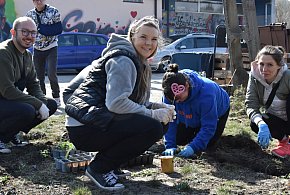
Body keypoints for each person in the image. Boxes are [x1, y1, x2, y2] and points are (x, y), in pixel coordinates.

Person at [64, 16, 175, 191]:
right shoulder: (124, 60)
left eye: (154, 39)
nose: (149, 43)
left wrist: (156, 107)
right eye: (143, 37)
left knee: (161, 123)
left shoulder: (139, 61)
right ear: (132, 36)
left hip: (96, 120)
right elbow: (116, 103)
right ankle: (99, 168)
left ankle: (110, 162)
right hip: (84, 127)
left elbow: (134, 104)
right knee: (153, 127)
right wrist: (153, 114)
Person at [0, 16, 57, 154]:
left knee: (51, 104)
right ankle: (1, 137)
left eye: (33, 33)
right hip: (4, 97)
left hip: (8, 100)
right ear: (13, 32)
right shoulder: (3, 53)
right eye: (24, 32)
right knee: (28, 110)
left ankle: (11, 134)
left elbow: (33, 84)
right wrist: (37, 105)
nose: (29, 36)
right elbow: (7, 90)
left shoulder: (27, 55)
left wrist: (42, 103)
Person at [161, 63, 230, 158]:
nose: (177, 102)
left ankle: (198, 135)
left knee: (208, 144)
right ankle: (194, 132)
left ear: (187, 85)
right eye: (173, 99)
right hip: (188, 115)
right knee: (179, 139)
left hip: (218, 110)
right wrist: (170, 145)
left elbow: (209, 126)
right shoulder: (170, 94)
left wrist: (193, 147)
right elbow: (169, 120)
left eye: (179, 98)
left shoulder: (207, 94)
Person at [245, 45, 290, 159]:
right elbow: (250, 104)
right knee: (255, 123)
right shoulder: (254, 77)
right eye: (261, 64)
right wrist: (261, 124)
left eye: (270, 65)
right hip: (278, 120)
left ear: (279, 66)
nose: (264, 69)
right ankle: (285, 142)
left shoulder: (287, 76)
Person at [26, 0, 61, 106]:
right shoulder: (29, 14)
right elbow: (27, 30)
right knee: (38, 77)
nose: (39, 2)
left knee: (51, 74)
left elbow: (58, 29)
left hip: (51, 47)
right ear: (33, 1)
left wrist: (42, 29)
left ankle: (56, 97)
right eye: (36, 0)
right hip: (37, 48)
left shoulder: (54, 11)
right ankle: (42, 98)